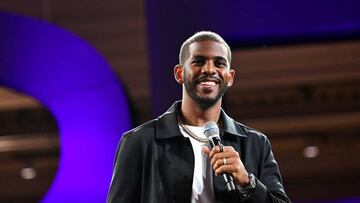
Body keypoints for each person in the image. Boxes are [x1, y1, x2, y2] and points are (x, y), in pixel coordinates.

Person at [107, 31, 291, 203]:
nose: (209, 69)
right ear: (180, 74)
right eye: (199, 61)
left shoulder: (255, 144)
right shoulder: (139, 142)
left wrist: (247, 182)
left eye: (219, 63)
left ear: (230, 77)